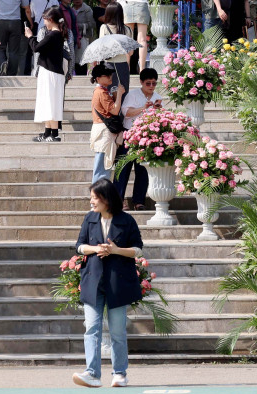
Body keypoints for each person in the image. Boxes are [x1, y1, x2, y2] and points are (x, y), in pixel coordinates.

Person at [72, 178, 143, 388]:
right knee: (91, 328)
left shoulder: (127, 221)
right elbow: (78, 246)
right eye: (92, 197)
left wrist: (116, 250)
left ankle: (120, 373)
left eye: (95, 197)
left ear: (106, 199)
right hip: (93, 281)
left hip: (117, 283)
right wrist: (96, 249)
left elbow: (138, 249)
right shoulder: (89, 219)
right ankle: (92, 373)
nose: (91, 201)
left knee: (118, 331)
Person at [118, 68, 159, 209]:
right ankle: (118, 200)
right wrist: (143, 108)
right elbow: (126, 113)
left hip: (146, 136)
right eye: (148, 83)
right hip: (130, 134)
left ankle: (139, 201)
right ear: (141, 82)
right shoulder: (133, 94)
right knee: (123, 168)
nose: (151, 87)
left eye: (154, 83)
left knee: (143, 170)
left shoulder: (157, 96)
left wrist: (158, 110)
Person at [27, 6, 67, 142]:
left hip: (50, 73)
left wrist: (29, 36)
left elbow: (36, 47)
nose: (44, 23)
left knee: (50, 101)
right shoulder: (57, 34)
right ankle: (48, 132)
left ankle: (52, 133)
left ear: (50, 19)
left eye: (45, 20)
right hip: (51, 72)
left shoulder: (53, 34)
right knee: (49, 101)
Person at [89, 65, 124, 183]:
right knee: (103, 168)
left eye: (110, 74)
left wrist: (115, 96)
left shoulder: (101, 91)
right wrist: (119, 94)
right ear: (98, 78)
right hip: (103, 132)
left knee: (104, 167)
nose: (110, 77)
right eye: (107, 75)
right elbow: (114, 110)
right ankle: (97, 199)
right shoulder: (100, 92)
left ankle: (99, 198)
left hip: (103, 131)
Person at [99, 4, 133, 94]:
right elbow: (130, 52)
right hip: (123, 65)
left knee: (109, 94)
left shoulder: (104, 28)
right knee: (123, 93)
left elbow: (101, 49)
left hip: (108, 65)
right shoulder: (128, 30)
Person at [57, 0, 80, 76]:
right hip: (63, 37)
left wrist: (77, 38)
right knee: (64, 57)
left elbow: (75, 25)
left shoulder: (71, 9)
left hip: (72, 36)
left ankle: (70, 73)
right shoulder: (59, 9)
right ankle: (64, 73)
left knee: (71, 57)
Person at [73, 0, 97, 73]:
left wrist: (79, 26)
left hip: (83, 37)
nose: (77, 0)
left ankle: (82, 78)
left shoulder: (87, 9)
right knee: (74, 60)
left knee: (81, 60)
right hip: (73, 37)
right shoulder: (71, 9)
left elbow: (92, 24)